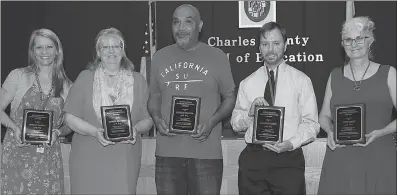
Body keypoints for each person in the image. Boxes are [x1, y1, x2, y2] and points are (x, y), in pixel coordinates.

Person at [148, 4, 236, 195]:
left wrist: (212, 122)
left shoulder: (217, 57)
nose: (181, 28)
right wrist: (156, 118)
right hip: (167, 153)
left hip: (206, 153)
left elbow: (229, 97)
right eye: (176, 22)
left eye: (188, 22)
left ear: (200, 25)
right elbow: (154, 97)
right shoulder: (159, 58)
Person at [231, 21, 320, 195]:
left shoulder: (301, 81)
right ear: (259, 48)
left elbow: (311, 124)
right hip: (253, 161)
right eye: (265, 44)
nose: (270, 49)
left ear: (285, 46)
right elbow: (235, 124)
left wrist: (290, 144)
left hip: (287, 159)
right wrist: (250, 114)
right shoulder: (247, 83)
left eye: (276, 43)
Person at [63, 27, 153, 194]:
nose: (111, 51)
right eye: (105, 47)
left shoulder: (139, 81)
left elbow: (148, 119)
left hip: (124, 160)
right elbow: (70, 117)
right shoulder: (85, 78)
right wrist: (94, 132)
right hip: (88, 159)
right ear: (98, 52)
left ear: (123, 50)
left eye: (116, 46)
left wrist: (136, 129)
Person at [317, 16, 396, 195]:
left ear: (370, 40)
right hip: (340, 159)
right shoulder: (335, 75)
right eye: (348, 40)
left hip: (379, 157)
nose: (354, 44)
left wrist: (381, 132)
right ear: (342, 44)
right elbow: (324, 116)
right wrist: (330, 131)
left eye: (359, 38)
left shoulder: (389, 73)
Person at [1, 28, 73, 195]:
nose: (44, 52)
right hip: (17, 154)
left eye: (49, 47)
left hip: (48, 158)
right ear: (32, 51)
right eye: (39, 47)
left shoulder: (67, 85)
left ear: (57, 50)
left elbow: (69, 125)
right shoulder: (18, 76)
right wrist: (14, 128)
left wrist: (57, 132)